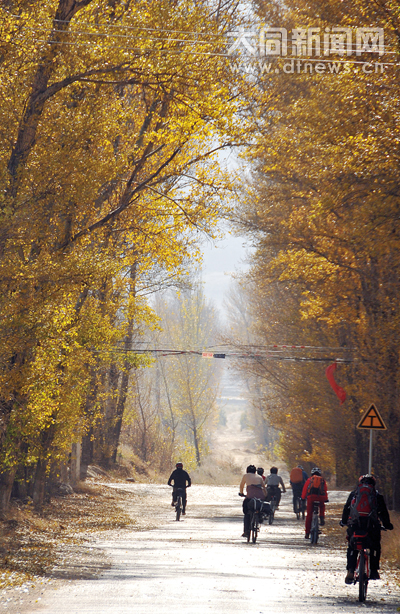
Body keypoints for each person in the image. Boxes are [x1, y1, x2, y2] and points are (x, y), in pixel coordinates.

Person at [341, 474, 393, 583]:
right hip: (371, 526)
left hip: (355, 525)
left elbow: (346, 509)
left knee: (352, 546)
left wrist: (344, 521)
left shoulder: (354, 494)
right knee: (375, 546)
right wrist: (387, 525)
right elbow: (383, 512)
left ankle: (350, 570)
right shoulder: (377, 496)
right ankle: (374, 570)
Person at [239, 464, 267, 538]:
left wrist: (241, 493)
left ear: (247, 471)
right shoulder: (259, 477)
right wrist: (265, 496)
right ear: (255, 471)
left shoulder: (246, 475)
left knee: (246, 512)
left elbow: (241, 485)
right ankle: (259, 517)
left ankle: (246, 531)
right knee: (259, 507)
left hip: (250, 496)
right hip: (260, 496)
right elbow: (264, 488)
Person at [301, 467, 328, 539]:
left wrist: (303, 498)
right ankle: (322, 517)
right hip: (320, 498)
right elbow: (324, 491)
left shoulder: (309, 480)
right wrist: (326, 499)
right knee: (322, 506)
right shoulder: (322, 480)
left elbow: (305, 490)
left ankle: (307, 533)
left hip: (311, 498)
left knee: (309, 514)